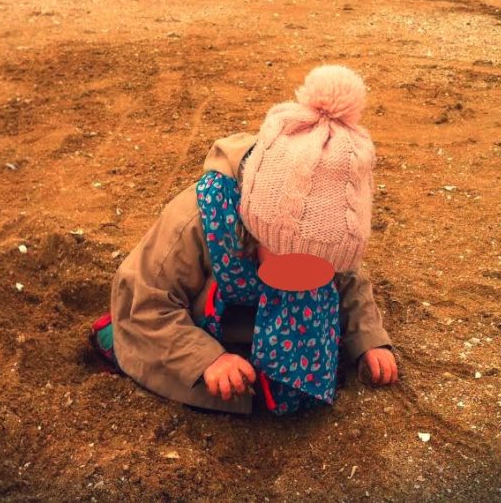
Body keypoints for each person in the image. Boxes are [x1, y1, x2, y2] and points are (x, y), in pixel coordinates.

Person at [90, 64, 398, 415]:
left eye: (320, 268)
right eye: (292, 264)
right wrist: (208, 359)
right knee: (140, 346)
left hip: (260, 327)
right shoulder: (195, 220)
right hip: (193, 328)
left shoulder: (327, 240)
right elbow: (146, 303)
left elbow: (350, 280)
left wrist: (368, 340)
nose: (306, 278)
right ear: (255, 228)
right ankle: (113, 340)